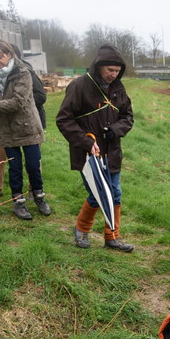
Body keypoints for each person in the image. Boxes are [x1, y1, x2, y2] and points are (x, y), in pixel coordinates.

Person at [56, 44, 135, 252]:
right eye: (110, 70)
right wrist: (86, 142)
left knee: (115, 193)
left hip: (112, 152)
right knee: (97, 193)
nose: (113, 75)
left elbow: (128, 116)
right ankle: (81, 229)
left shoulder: (119, 88)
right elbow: (64, 120)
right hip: (88, 154)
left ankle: (112, 237)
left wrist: (115, 130)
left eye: (117, 71)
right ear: (99, 66)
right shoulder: (80, 86)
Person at [0, 39, 50, 220]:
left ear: (9, 55)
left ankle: (39, 197)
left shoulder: (23, 72)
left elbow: (18, 102)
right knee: (14, 166)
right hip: (5, 128)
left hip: (27, 126)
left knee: (33, 165)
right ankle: (18, 202)